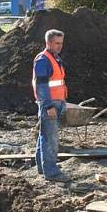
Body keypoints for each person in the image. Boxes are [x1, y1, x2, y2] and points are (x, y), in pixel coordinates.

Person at [33, 29, 70, 182]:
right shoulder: (43, 60)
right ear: (48, 43)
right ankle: (52, 172)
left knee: (45, 135)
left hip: (56, 102)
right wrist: (49, 106)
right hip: (50, 103)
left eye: (61, 43)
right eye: (56, 43)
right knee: (51, 138)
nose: (60, 46)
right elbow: (42, 86)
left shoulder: (54, 58)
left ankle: (43, 167)